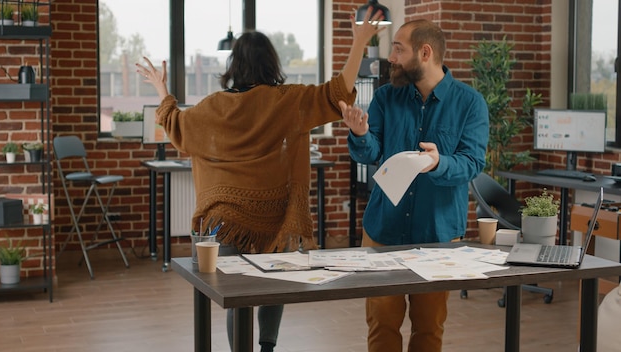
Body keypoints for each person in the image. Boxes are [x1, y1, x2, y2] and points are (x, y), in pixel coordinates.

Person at [136, 8, 384, 352]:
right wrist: (358, 42)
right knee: (274, 282)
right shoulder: (288, 101)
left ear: (234, 66)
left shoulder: (213, 106)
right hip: (277, 216)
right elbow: (338, 91)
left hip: (225, 220)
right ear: (271, 63)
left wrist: (163, 89)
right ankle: (267, 347)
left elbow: (176, 127)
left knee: (236, 295)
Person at [339, 19, 489, 352]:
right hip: (383, 233)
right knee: (381, 326)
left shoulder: (470, 104)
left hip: (437, 238)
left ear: (425, 52)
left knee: (429, 329)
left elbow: (473, 163)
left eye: (398, 48)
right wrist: (361, 134)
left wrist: (440, 162)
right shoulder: (384, 98)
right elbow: (372, 152)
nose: (391, 57)